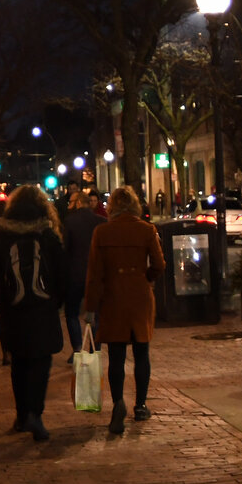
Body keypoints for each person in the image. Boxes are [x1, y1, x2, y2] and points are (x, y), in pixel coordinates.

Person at [0, 183, 68, 442]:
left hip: (13, 311)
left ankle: (21, 414)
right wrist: (60, 302)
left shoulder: (1, 235)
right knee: (41, 363)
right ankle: (35, 414)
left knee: (19, 364)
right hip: (43, 309)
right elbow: (62, 272)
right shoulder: (47, 234)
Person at [83, 186, 165, 436]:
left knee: (116, 355)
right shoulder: (147, 229)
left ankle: (118, 402)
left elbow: (95, 273)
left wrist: (91, 307)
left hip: (113, 297)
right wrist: (146, 277)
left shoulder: (102, 232)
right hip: (140, 295)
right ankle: (141, 405)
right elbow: (159, 264)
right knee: (142, 351)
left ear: (112, 208)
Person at [59, 187, 105, 354]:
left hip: (75, 275)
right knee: (95, 312)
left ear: (78, 203)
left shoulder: (70, 221)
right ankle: (95, 348)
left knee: (71, 312)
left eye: (71, 202)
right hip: (96, 274)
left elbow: (66, 249)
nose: (69, 205)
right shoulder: (100, 221)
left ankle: (77, 348)